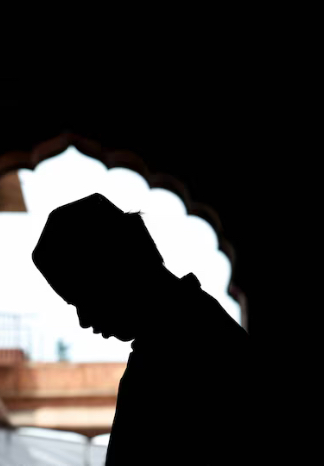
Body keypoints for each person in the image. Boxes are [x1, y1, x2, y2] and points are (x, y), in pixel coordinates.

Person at [31, 193, 257, 465]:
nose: (84, 320)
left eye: (82, 298)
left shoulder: (180, 350)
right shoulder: (194, 329)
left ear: (113, 269)